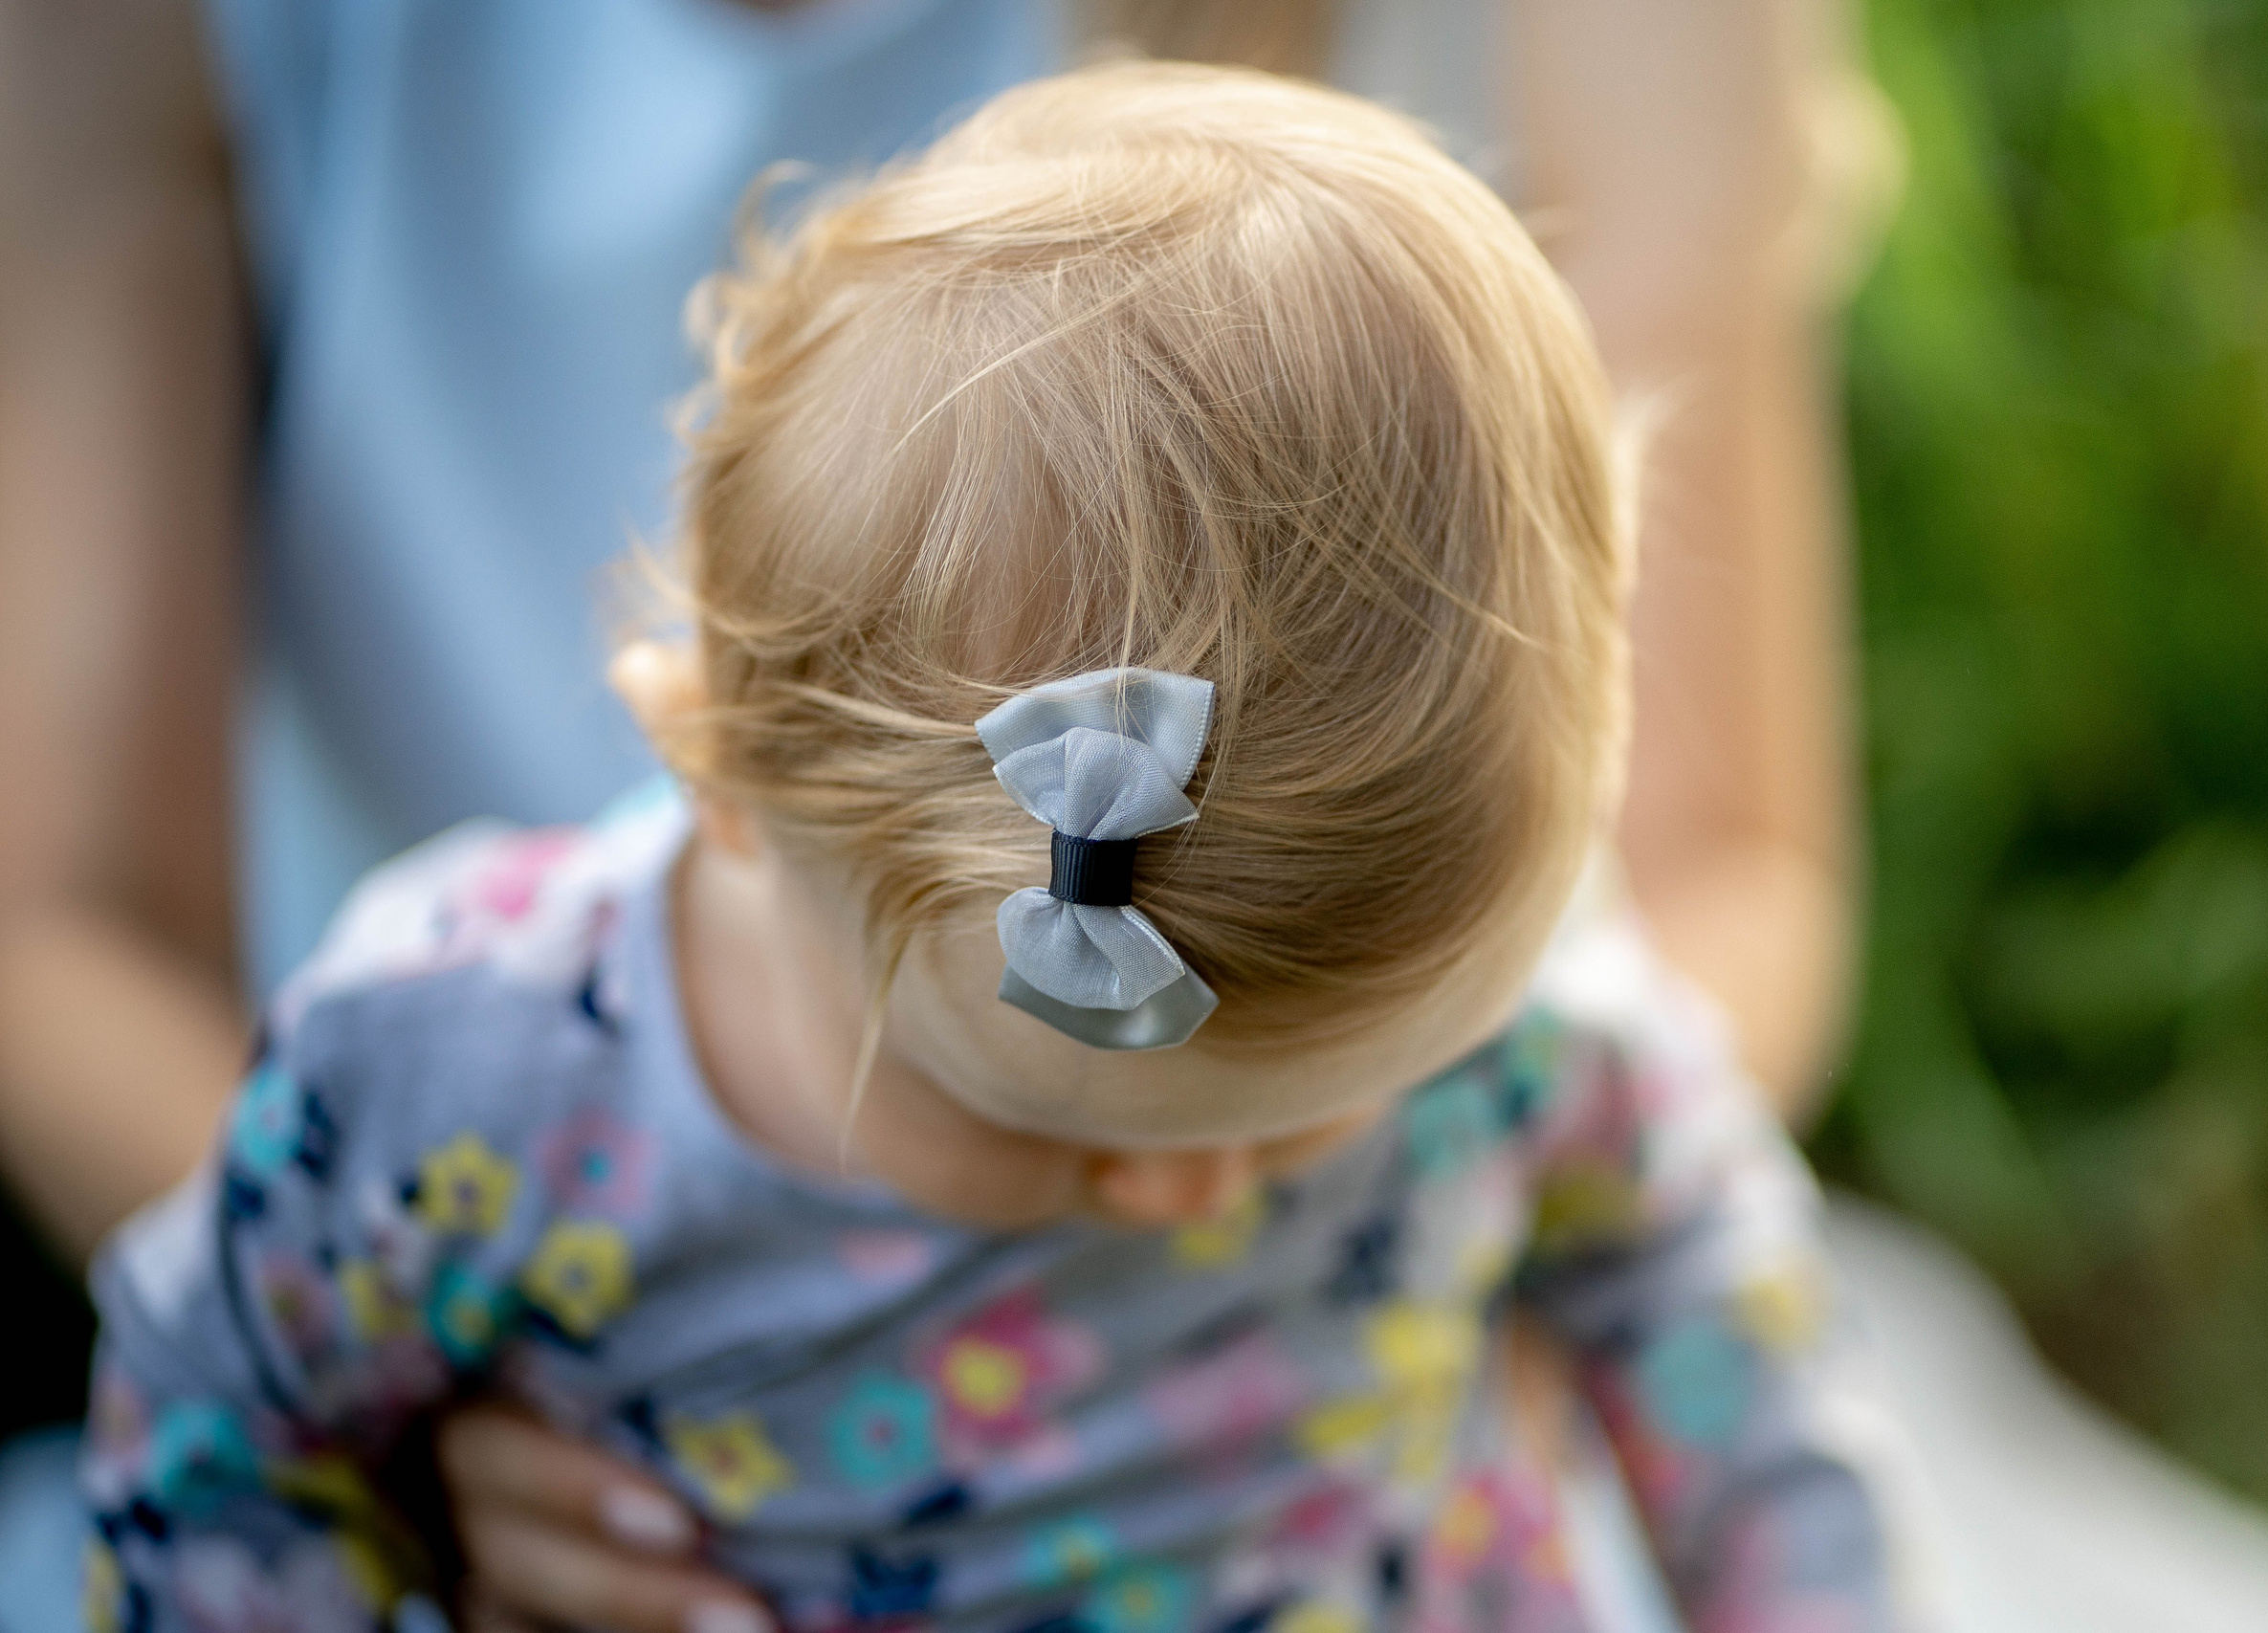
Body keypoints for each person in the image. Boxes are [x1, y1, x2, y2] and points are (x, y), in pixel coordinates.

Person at [78, 64, 1921, 1633]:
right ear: (718, 759)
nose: (1207, 1202)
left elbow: (1709, 1286)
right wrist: (395, 1528)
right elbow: (218, 1432)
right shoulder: (468, 1079)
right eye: (1037, 1133)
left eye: (1315, 1126)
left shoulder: (1517, 1005)